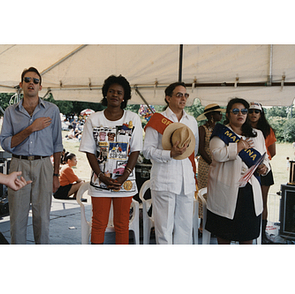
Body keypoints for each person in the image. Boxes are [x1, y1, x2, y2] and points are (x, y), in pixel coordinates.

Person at [0, 67, 63, 244]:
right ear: (21, 84)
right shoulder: (11, 111)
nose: (31, 83)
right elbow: (5, 143)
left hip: (44, 165)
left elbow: (58, 144)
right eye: (27, 80)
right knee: (17, 220)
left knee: (42, 219)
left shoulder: (52, 110)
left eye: (35, 81)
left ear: (40, 87)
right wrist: (31, 128)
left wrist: (56, 174)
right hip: (18, 166)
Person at [79, 75, 143, 244]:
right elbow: (89, 151)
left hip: (125, 182)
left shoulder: (133, 119)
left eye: (119, 92)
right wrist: (101, 176)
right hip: (100, 182)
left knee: (122, 224)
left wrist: (123, 177)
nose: (115, 95)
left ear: (124, 97)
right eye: (111, 91)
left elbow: (136, 150)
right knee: (99, 223)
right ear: (105, 93)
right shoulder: (93, 119)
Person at [205, 98, 269, 244]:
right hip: (225, 191)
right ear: (228, 114)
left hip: (250, 193)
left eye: (244, 111)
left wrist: (264, 167)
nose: (240, 114)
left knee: (247, 237)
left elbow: (265, 157)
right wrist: (237, 147)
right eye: (235, 111)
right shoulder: (221, 133)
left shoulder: (257, 134)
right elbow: (216, 154)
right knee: (224, 237)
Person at [143, 82, 199, 244]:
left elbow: (193, 152)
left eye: (186, 95)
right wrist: (170, 154)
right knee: (164, 229)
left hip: (186, 182)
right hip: (164, 180)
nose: (183, 98)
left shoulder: (192, 121)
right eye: (179, 95)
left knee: (185, 227)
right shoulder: (157, 120)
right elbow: (148, 151)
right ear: (168, 98)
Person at [248, 102, 276, 244]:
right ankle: (248, 232)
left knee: (262, 202)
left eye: (256, 112)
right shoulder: (241, 128)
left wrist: (262, 163)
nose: (253, 114)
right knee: (247, 202)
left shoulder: (267, 130)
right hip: (245, 170)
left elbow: (273, 152)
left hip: (263, 169)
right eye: (251, 111)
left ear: (261, 114)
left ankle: (262, 234)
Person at [196, 104, 224, 232]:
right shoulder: (202, 129)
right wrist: (212, 162)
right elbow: (200, 149)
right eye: (219, 113)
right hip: (206, 165)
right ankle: (202, 223)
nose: (221, 115)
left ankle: (215, 223)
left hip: (219, 164)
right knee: (205, 192)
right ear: (212, 115)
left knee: (217, 193)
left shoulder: (222, 129)